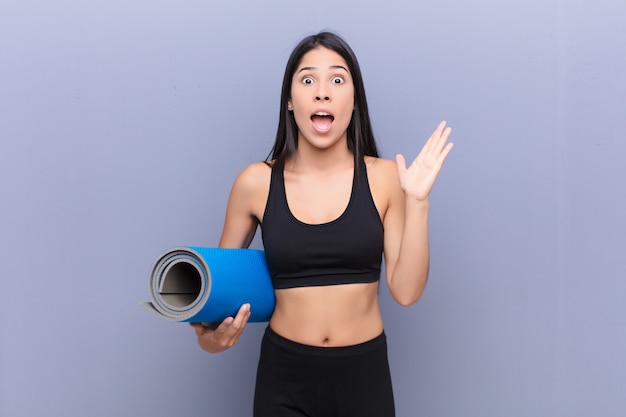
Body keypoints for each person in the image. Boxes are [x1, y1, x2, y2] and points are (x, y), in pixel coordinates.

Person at [189, 31, 453, 417]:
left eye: (338, 79)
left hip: (364, 378)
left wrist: (418, 201)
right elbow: (220, 301)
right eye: (308, 80)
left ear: (354, 101)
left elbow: (407, 292)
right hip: (284, 377)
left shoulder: (385, 179)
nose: (322, 92)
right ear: (290, 103)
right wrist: (212, 340)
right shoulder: (255, 183)